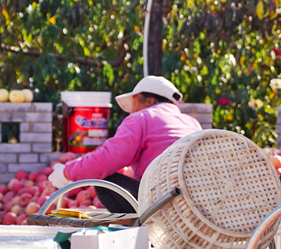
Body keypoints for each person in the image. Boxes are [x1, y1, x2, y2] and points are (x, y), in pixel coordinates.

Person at [49, 76, 202, 213]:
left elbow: (109, 159)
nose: (132, 111)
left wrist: (67, 172)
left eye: (134, 103)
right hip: (196, 204)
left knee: (104, 182)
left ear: (150, 101)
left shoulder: (142, 118)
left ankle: (140, 230)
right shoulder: (192, 123)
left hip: (160, 205)